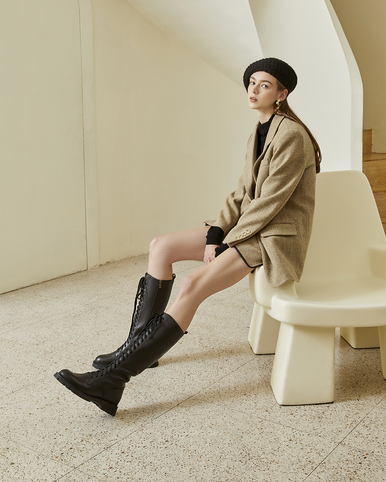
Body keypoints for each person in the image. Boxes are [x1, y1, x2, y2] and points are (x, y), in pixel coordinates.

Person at [54, 57, 321, 416]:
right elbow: (242, 193)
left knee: (192, 284)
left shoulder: (291, 135)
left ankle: (113, 381)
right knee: (161, 246)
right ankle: (138, 349)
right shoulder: (258, 132)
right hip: (250, 227)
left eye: (265, 85)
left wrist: (226, 243)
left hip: (272, 235)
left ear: (281, 94)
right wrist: (216, 232)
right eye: (252, 82)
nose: (254, 89)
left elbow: (270, 203)